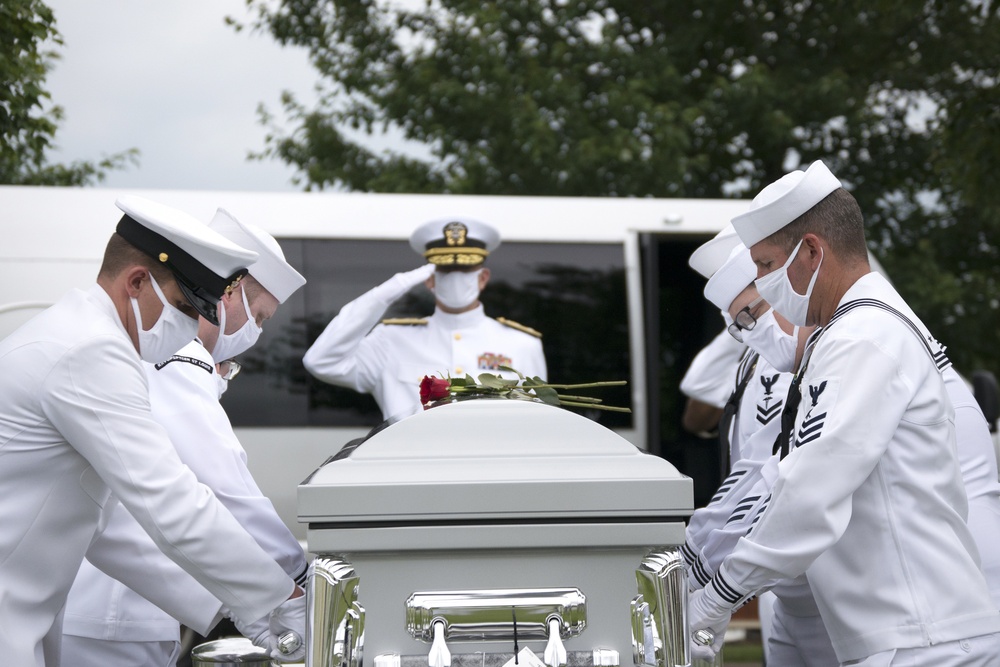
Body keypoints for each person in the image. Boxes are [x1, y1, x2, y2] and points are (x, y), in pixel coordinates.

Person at [688, 160, 1000, 665]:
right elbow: (779, 476)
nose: (764, 284)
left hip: (925, 637)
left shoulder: (862, 337)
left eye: (767, 267)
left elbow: (809, 491)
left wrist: (717, 594)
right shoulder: (853, 330)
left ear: (811, 250)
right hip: (908, 632)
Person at [0, 196, 304, 667]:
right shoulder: (91, 351)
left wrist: (239, 609)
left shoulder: (76, 333)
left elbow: (110, 527)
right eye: (185, 307)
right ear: (137, 281)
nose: (190, 329)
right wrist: (280, 601)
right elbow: (172, 500)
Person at [303, 218, 547, 421]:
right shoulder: (391, 341)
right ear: (429, 279)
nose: (455, 278)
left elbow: (539, 424)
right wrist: (382, 296)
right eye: (445, 271)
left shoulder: (522, 345)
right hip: (411, 475)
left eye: (464, 271)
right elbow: (320, 361)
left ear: (483, 278)